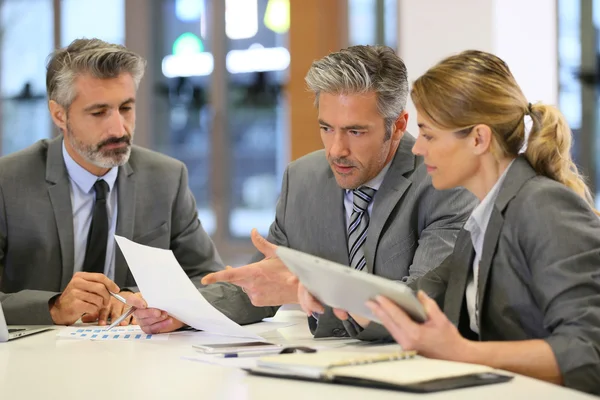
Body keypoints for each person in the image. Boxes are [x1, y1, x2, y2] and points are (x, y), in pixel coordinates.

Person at [329, 50, 599, 394]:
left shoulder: (543, 207)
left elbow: (589, 352)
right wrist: (320, 285)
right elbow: (417, 299)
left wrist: (463, 353)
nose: (417, 149)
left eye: (428, 135)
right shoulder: (482, 221)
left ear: (478, 139)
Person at [184, 45, 476, 339]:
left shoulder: (443, 182)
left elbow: (422, 307)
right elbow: (264, 282)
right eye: (326, 128)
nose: (336, 150)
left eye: (355, 132)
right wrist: (178, 311)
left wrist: (317, 291)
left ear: (397, 125)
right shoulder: (302, 179)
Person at [0, 38, 270, 328]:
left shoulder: (166, 178)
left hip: (137, 357)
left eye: (126, 108)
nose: (119, 128)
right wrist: (53, 308)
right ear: (59, 115)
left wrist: (149, 299)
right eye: (99, 112)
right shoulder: (8, 183)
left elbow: (210, 280)